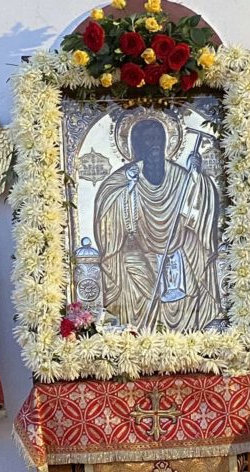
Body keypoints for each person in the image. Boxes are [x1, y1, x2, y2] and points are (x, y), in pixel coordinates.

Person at [93, 119, 221, 332]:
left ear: (166, 143)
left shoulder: (181, 176)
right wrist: (129, 189)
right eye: (148, 140)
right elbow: (107, 213)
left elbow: (199, 203)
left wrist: (197, 176)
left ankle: (188, 334)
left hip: (177, 247)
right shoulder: (125, 178)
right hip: (138, 251)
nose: (155, 145)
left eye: (159, 139)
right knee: (128, 269)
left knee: (191, 274)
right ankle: (133, 334)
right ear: (137, 146)